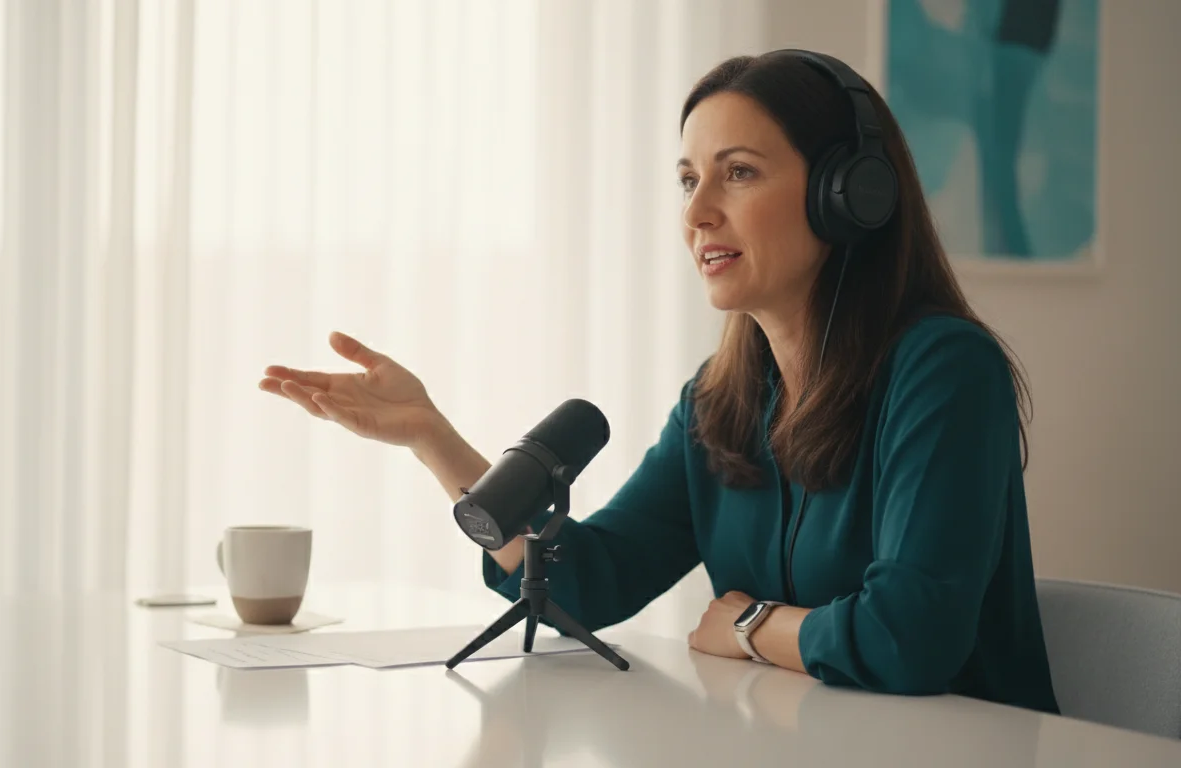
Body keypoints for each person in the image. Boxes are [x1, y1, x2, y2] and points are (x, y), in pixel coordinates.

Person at [259, 49, 1060, 713]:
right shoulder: (721, 401)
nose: (698, 212)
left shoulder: (944, 370)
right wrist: (435, 441)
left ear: (848, 197)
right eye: (688, 180)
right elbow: (587, 583)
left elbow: (910, 640)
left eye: (738, 173)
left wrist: (747, 625)